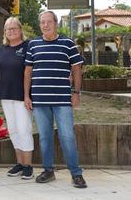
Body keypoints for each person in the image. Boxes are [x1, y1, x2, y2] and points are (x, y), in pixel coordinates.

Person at [24, 10, 87, 188]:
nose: (45, 25)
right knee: (45, 137)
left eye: (48, 22)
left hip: (62, 100)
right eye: (42, 22)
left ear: (55, 23)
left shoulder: (68, 43)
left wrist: (76, 92)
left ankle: (76, 174)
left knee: (67, 136)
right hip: (39, 100)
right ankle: (48, 170)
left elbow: (76, 69)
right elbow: (28, 72)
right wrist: (26, 96)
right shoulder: (33, 44)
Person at [0, 17, 34, 179]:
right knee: (13, 130)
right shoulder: (2, 49)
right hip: (6, 95)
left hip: (22, 96)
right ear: (5, 32)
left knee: (24, 129)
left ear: (20, 30)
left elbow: (31, 71)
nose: (11, 31)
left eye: (14, 28)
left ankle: (28, 166)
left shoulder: (28, 46)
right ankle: (19, 164)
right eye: (8, 29)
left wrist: (27, 95)